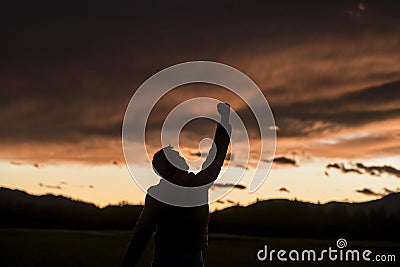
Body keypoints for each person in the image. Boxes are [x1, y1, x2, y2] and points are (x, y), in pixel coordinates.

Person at [121, 103, 231, 267]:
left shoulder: (157, 194)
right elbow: (215, 157)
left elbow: (142, 233)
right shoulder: (196, 185)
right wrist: (224, 121)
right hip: (189, 259)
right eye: (177, 156)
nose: (182, 158)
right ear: (172, 165)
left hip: (165, 258)